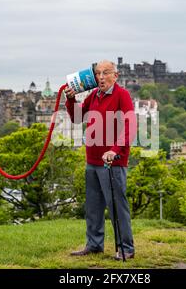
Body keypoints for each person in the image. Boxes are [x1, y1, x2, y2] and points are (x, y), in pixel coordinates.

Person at [65, 60, 137, 260]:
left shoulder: (122, 95)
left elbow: (130, 126)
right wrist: (71, 100)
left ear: (116, 75)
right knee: (94, 207)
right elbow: (78, 117)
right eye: (98, 73)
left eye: (106, 73)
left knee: (116, 206)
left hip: (112, 162)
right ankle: (94, 244)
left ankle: (126, 248)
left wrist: (115, 150)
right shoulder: (93, 95)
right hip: (93, 160)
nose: (101, 77)